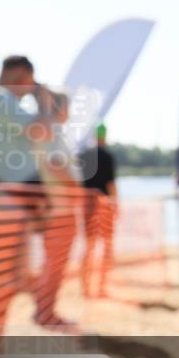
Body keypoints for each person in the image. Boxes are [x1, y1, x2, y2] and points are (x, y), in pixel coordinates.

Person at [0, 56, 54, 337]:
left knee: (6, 282)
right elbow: (43, 129)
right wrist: (44, 101)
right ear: (21, 75)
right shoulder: (1, 100)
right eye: (31, 82)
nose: (31, 88)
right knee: (1, 284)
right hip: (2, 204)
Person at [35, 92, 82, 328]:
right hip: (60, 213)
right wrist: (77, 190)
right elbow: (56, 165)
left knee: (52, 265)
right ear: (61, 109)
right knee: (55, 266)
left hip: (57, 211)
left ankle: (44, 312)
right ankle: (46, 314)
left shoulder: (49, 133)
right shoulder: (51, 134)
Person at [78, 122, 118, 298]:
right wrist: (116, 205)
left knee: (89, 247)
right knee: (106, 248)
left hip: (87, 205)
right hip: (103, 206)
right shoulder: (107, 157)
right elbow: (111, 185)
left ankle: (85, 287)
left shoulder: (84, 156)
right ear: (105, 136)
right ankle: (101, 287)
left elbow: (79, 184)